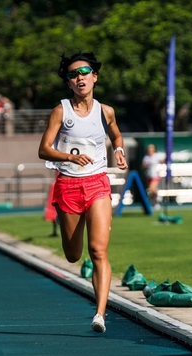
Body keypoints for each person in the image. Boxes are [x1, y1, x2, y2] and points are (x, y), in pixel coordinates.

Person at [38, 51, 128, 333]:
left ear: (95, 76)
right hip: (68, 185)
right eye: (73, 74)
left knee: (98, 251)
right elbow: (43, 150)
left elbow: (115, 134)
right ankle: (92, 293)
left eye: (85, 72)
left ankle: (100, 314)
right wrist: (69, 158)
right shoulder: (60, 111)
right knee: (73, 255)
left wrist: (120, 151)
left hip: (97, 183)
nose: (80, 78)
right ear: (68, 82)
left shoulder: (106, 111)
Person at [142, 144, 165, 209]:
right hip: (149, 175)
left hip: (155, 175)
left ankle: (158, 196)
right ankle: (156, 203)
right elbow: (143, 165)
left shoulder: (157, 156)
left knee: (151, 188)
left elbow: (162, 162)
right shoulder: (146, 157)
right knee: (151, 191)